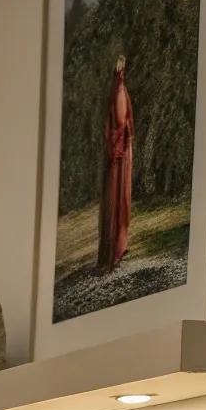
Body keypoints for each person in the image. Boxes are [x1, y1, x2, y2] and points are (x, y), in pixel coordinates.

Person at [97, 53, 134, 273]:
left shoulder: (116, 92)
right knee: (119, 199)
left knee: (120, 201)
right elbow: (120, 121)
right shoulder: (119, 92)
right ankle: (116, 248)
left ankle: (118, 247)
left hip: (119, 153)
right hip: (120, 156)